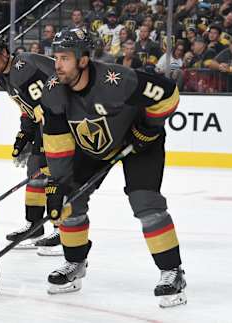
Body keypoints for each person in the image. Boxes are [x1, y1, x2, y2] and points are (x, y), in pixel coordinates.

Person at [40, 28, 187, 308]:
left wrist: (149, 127)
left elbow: (168, 94)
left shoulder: (116, 80)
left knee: (146, 203)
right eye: (55, 57)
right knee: (69, 197)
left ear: (83, 60)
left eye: (64, 58)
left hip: (138, 142)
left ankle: (172, 271)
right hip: (93, 145)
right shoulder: (53, 92)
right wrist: (58, 182)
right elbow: (57, 141)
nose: (57, 65)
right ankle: (74, 263)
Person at [0, 30, 62, 256]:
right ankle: (34, 226)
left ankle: (62, 230)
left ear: (4, 52)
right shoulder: (6, 74)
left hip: (63, 120)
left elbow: (48, 105)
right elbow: (29, 109)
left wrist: (43, 140)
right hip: (49, 119)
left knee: (55, 174)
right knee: (35, 169)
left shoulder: (23, 69)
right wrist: (25, 135)